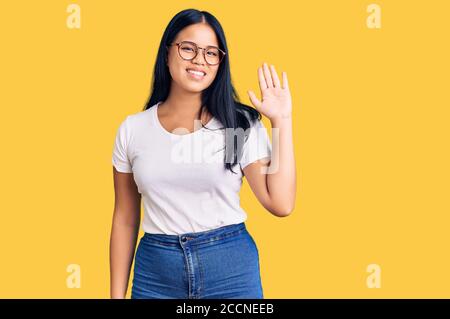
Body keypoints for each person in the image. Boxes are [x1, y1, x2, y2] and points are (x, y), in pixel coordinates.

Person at [110, 8, 296, 299]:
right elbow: (125, 218)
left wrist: (281, 122)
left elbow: (280, 203)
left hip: (230, 270)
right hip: (156, 274)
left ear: (220, 62)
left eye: (211, 53)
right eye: (188, 49)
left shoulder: (235, 126)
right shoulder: (134, 130)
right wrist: (116, 295)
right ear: (167, 51)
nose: (200, 60)